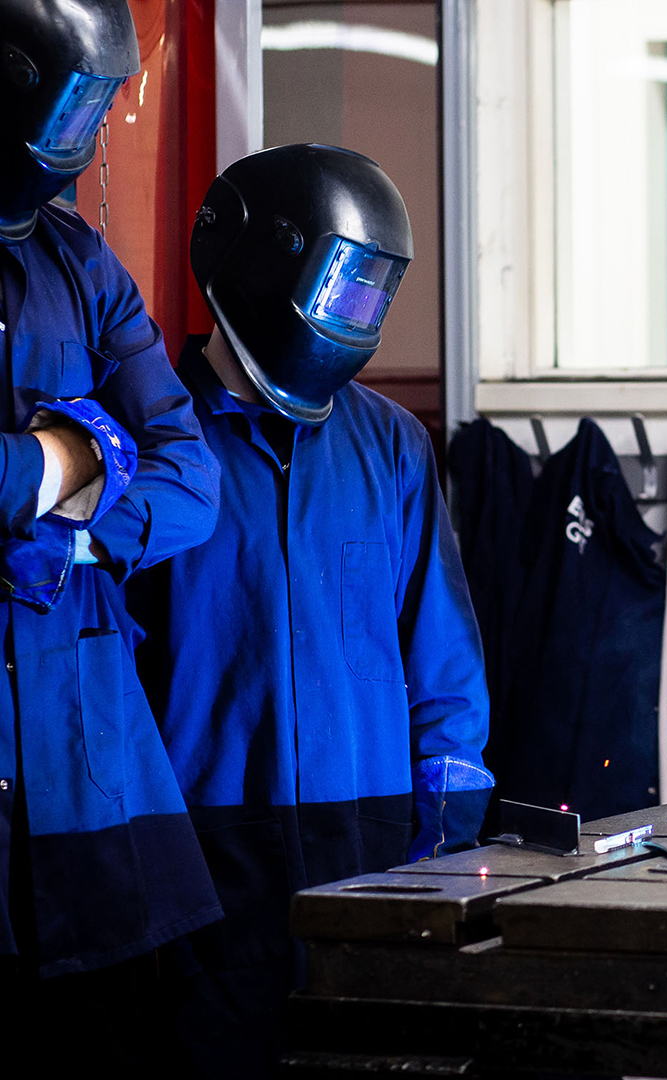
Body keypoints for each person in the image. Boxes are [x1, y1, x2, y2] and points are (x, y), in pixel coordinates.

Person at [129, 144, 493, 1076]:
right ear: (267, 262)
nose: (358, 316)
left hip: (369, 859)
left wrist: (444, 852)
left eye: (376, 296)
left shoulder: (394, 445)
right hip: (198, 877)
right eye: (345, 289)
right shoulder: (148, 450)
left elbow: (442, 666)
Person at [0, 0, 224, 1053]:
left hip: (93, 776)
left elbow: (191, 477)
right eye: (83, 98)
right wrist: (70, 453)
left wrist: (77, 534)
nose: (96, 130)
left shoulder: (82, 266)